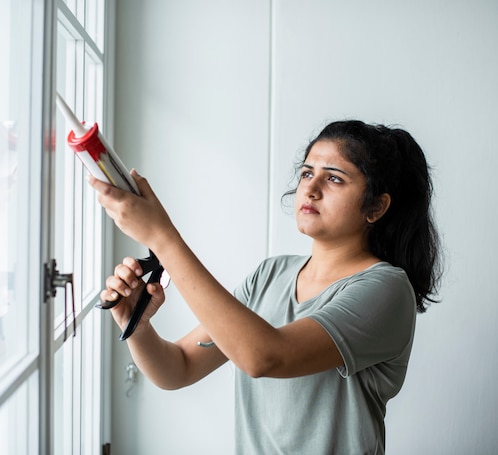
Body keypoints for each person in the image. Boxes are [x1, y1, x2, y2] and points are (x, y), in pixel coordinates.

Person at [89, 120, 442, 454]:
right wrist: (136, 324)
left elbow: (264, 357)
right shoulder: (270, 274)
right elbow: (178, 367)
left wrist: (161, 237)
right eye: (307, 172)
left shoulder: (387, 289)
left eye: (334, 178)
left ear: (376, 207)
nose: (311, 188)